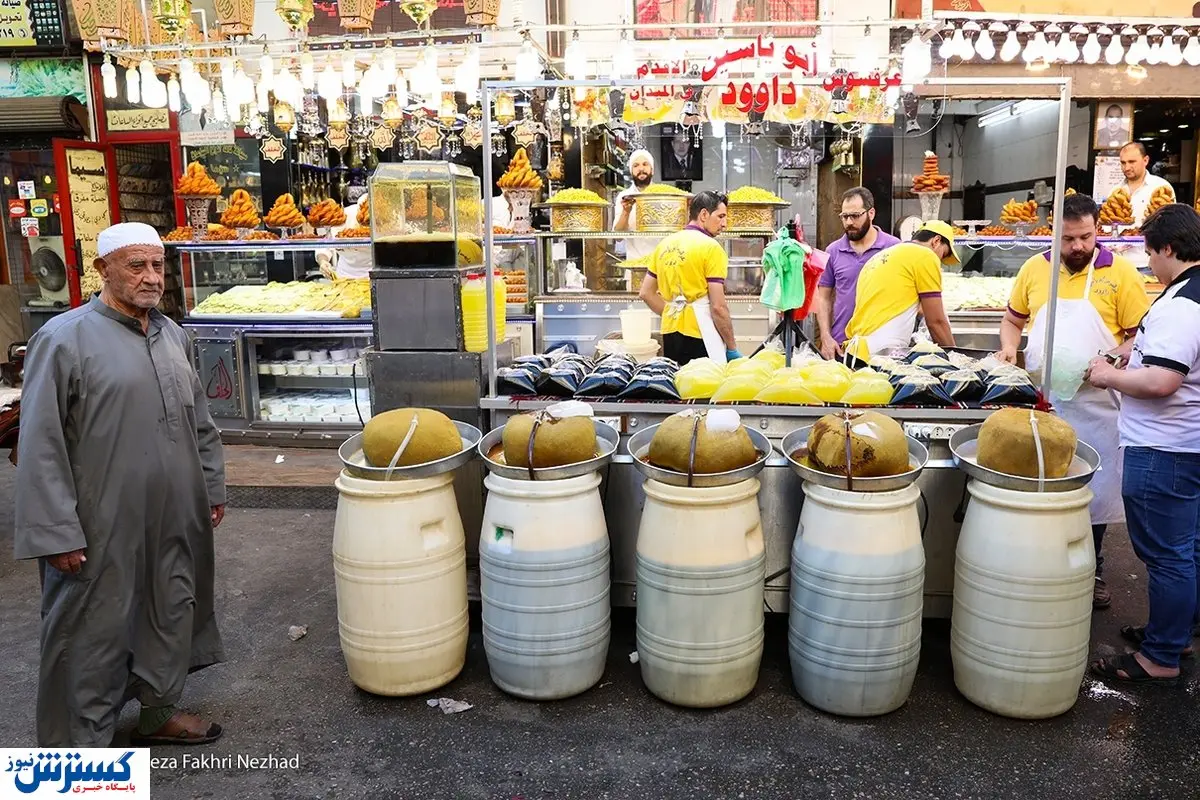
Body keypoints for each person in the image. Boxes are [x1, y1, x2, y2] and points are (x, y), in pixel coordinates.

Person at [15, 222, 227, 746]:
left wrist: (212, 487)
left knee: (170, 609)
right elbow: (40, 442)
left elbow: (200, 420)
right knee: (91, 634)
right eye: (136, 265)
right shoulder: (63, 338)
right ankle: (78, 754)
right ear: (102, 269)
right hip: (99, 521)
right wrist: (55, 531)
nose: (151, 277)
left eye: (158, 265)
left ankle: (158, 714)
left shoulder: (172, 334)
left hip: (174, 515)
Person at [997, 193, 1150, 610]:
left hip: (1096, 404)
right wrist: (1010, 349)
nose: (1078, 246)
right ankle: (1043, 562)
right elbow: (1013, 320)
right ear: (1053, 234)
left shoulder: (1120, 273)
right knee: (1042, 481)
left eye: (1085, 236)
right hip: (1045, 401)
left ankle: (1092, 566)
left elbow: (1140, 334)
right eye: (1067, 239)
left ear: (1096, 229)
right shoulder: (1034, 269)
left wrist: (1113, 357)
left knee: (1094, 488)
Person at [1085, 203, 1200, 684]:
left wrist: (1107, 375)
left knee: (1167, 554)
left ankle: (1159, 658)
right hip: (1187, 445)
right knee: (1187, 549)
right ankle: (1176, 633)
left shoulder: (1180, 305)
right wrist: (1121, 351)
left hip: (1163, 449)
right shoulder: (1190, 293)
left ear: (1168, 249)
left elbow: (1162, 380)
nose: (1148, 263)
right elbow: (1157, 347)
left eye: (1150, 253)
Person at [638, 190, 738, 366]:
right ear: (704, 214)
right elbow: (718, 307)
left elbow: (646, 293)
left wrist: (673, 313)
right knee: (704, 388)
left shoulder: (664, 244)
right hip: (701, 332)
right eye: (721, 216)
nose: (724, 224)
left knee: (678, 386)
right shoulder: (711, 248)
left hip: (670, 331)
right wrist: (732, 348)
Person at [842, 220, 959, 361]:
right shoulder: (925, 255)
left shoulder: (882, 256)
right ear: (936, 241)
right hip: (882, 354)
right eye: (944, 254)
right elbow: (936, 322)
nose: (939, 261)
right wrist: (955, 359)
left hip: (856, 351)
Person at [817, 187, 900, 360]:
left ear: (871, 213)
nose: (849, 222)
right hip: (842, 346)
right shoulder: (833, 251)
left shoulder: (894, 248)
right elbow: (823, 298)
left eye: (855, 216)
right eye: (844, 216)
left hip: (881, 346)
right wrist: (825, 337)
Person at [1115, 142, 1175, 270]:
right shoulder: (1115, 191)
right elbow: (1108, 227)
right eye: (1123, 163)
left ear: (1145, 160)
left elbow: (1171, 226)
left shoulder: (1161, 188)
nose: (1127, 167)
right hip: (1119, 262)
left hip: (1149, 263)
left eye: (1132, 162)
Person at [613, 149, 663, 288]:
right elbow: (618, 235)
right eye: (636, 166)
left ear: (652, 170)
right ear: (631, 171)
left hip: (662, 268)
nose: (641, 169)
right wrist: (626, 212)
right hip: (635, 268)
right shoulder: (624, 197)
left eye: (645, 164)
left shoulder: (663, 195)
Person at [316, 196, 372, 279]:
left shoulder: (385, 220)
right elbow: (324, 246)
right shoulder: (343, 216)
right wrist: (323, 262)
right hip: (344, 276)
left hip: (372, 276)